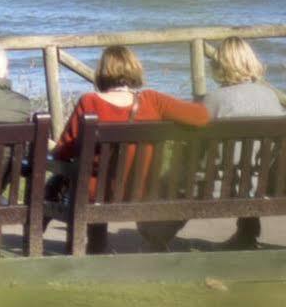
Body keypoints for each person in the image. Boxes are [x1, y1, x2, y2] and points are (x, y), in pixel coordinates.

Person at [49, 45, 209, 251]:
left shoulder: (89, 101)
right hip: (143, 189)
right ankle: (155, 242)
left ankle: (94, 244)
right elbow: (201, 117)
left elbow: (64, 151)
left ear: (102, 72)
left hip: (97, 194)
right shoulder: (153, 100)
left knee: (69, 181)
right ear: (135, 69)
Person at [198, 36, 286, 249]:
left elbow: (198, 146)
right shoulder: (270, 97)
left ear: (219, 65)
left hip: (218, 185)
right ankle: (247, 232)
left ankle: (157, 234)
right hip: (259, 182)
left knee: (178, 178)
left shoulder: (214, 100)